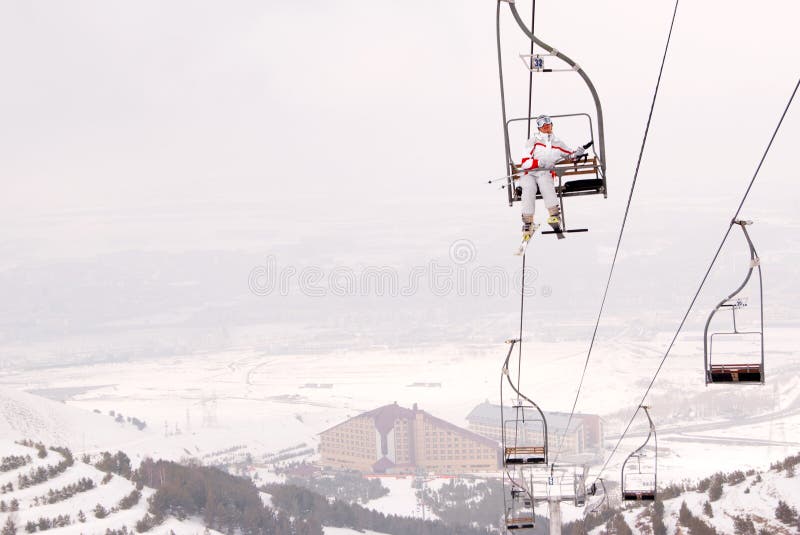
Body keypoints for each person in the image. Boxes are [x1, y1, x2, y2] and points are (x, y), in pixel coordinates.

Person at [516, 115, 585, 238]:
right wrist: (538, 163)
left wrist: (577, 153)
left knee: (545, 183)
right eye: (542, 123)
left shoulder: (558, 142)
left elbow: (570, 155)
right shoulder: (533, 141)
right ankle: (528, 222)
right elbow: (525, 163)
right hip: (530, 173)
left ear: (552, 124)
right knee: (528, 188)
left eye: (548, 122)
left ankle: (554, 215)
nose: (546, 125)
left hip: (545, 172)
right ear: (538, 127)